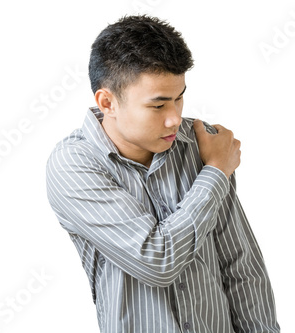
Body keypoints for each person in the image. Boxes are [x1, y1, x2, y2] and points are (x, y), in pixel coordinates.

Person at [46, 15, 280, 333]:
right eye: (158, 106)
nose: (173, 118)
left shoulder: (202, 143)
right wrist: (214, 172)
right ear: (107, 102)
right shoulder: (72, 166)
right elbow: (156, 260)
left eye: (179, 98)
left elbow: (239, 263)